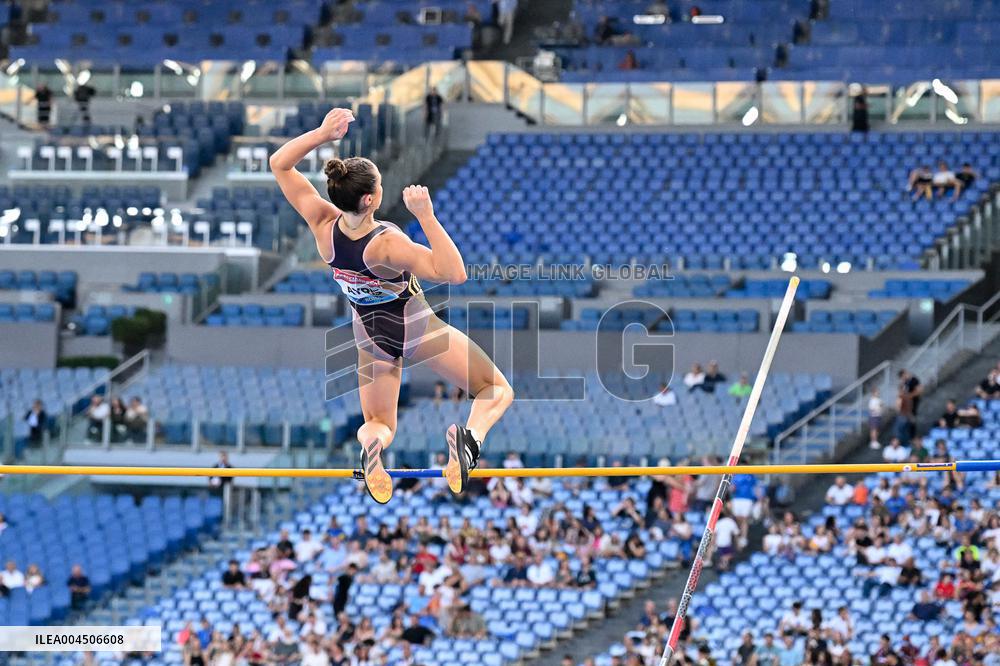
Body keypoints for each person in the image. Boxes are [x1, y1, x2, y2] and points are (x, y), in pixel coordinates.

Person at [270, 107, 513, 504]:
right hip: (417, 331)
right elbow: (454, 273)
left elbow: (280, 165)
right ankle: (470, 441)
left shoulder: (321, 226)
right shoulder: (386, 243)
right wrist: (427, 216)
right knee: (496, 389)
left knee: (378, 422)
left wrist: (320, 133)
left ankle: (372, 448)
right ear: (371, 198)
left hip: (370, 340)